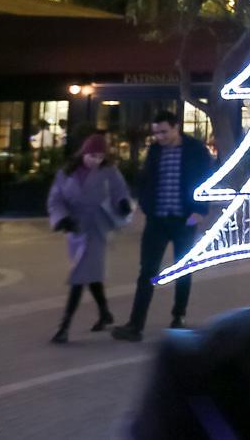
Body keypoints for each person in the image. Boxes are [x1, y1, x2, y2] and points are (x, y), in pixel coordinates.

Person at [112, 111, 215, 342]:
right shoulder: (155, 150)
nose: (159, 137)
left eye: (163, 132)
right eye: (156, 133)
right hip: (157, 221)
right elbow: (146, 180)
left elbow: (206, 178)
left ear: (176, 127)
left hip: (183, 220)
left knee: (183, 269)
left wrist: (200, 210)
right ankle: (135, 325)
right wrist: (143, 206)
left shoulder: (196, 149)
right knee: (147, 272)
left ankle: (179, 316)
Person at [47, 133, 132, 343]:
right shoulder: (66, 172)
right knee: (90, 274)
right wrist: (62, 218)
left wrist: (123, 203)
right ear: (84, 153)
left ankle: (64, 327)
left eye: (101, 157)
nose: (97, 160)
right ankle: (105, 313)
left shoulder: (109, 170)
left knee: (79, 275)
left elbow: (119, 190)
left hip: (97, 227)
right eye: (93, 156)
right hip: (75, 229)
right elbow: (56, 199)